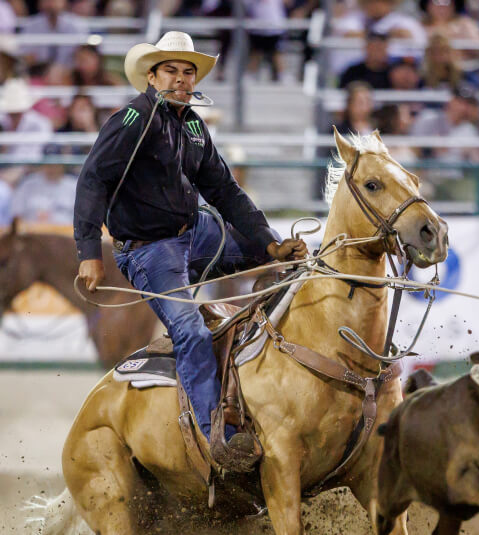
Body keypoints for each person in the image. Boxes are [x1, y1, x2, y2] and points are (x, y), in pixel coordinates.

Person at [73, 32, 308, 464]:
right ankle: (217, 433)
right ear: (152, 76)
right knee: (191, 331)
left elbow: (225, 191)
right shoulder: (132, 119)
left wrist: (271, 243)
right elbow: (93, 180)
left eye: (187, 72)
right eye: (171, 71)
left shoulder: (194, 124)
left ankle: (267, 364)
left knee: (290, 264)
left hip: (193, 234)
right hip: (148, 251)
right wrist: (89, 250)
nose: (181, 79)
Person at [22, 0, 89, 69]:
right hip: (38, 71)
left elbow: (82, 55)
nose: (51, 4)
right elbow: (26, 55)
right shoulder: (31, 25)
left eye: (54, 1)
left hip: (69, 72)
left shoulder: (77, 25)